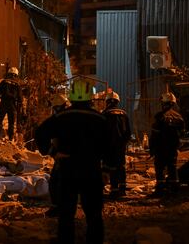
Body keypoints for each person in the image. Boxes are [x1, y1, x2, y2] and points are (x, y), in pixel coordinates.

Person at [34, 78, 108, 244]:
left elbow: (40, 133)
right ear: (91, 97)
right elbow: (110, 144)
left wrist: (52, 152)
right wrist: (107, 169)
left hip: (68, 169)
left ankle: (66, 240)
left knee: (66, 213)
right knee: (94, 213)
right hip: (92, 170)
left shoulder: (61, 117)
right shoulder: (100, 119)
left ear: (72, 97)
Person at [149, 92, 185, 196]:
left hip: (160, 148)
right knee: (172, 167)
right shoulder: (179, 117)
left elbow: (154, 135)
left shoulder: (160, 117)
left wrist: (152, 149)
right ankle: (174, 189)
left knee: (160, 168)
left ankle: (160, 189)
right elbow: (182, 134)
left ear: (163, 103)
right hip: (172, 148)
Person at [102, 91, 131, 199]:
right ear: (117, 101)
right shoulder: (124, 114)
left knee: (111, 167)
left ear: (107, 102)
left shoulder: (104, 114)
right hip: (121, 146)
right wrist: (123, 143)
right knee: (121, 166)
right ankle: (122, 190)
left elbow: (101, 133)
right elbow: (128, 132)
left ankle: (114, 190)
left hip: (108, 146)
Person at [45, 93, 70, 217]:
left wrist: (52, 152)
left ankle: (56, 208)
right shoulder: (73, 116)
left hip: (64, 156)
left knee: (55, 182)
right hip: (81, 156)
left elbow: (48, 136)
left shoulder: (58, 119)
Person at [0, 67, 22, 141]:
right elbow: (20, 98)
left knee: (0, 120)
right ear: (16, 75)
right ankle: (10, 138)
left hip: (4, 103)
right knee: (11, 123)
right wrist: (20, 107)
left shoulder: (4, 82)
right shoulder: (17, 84)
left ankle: (0, 136)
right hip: (12, 105)